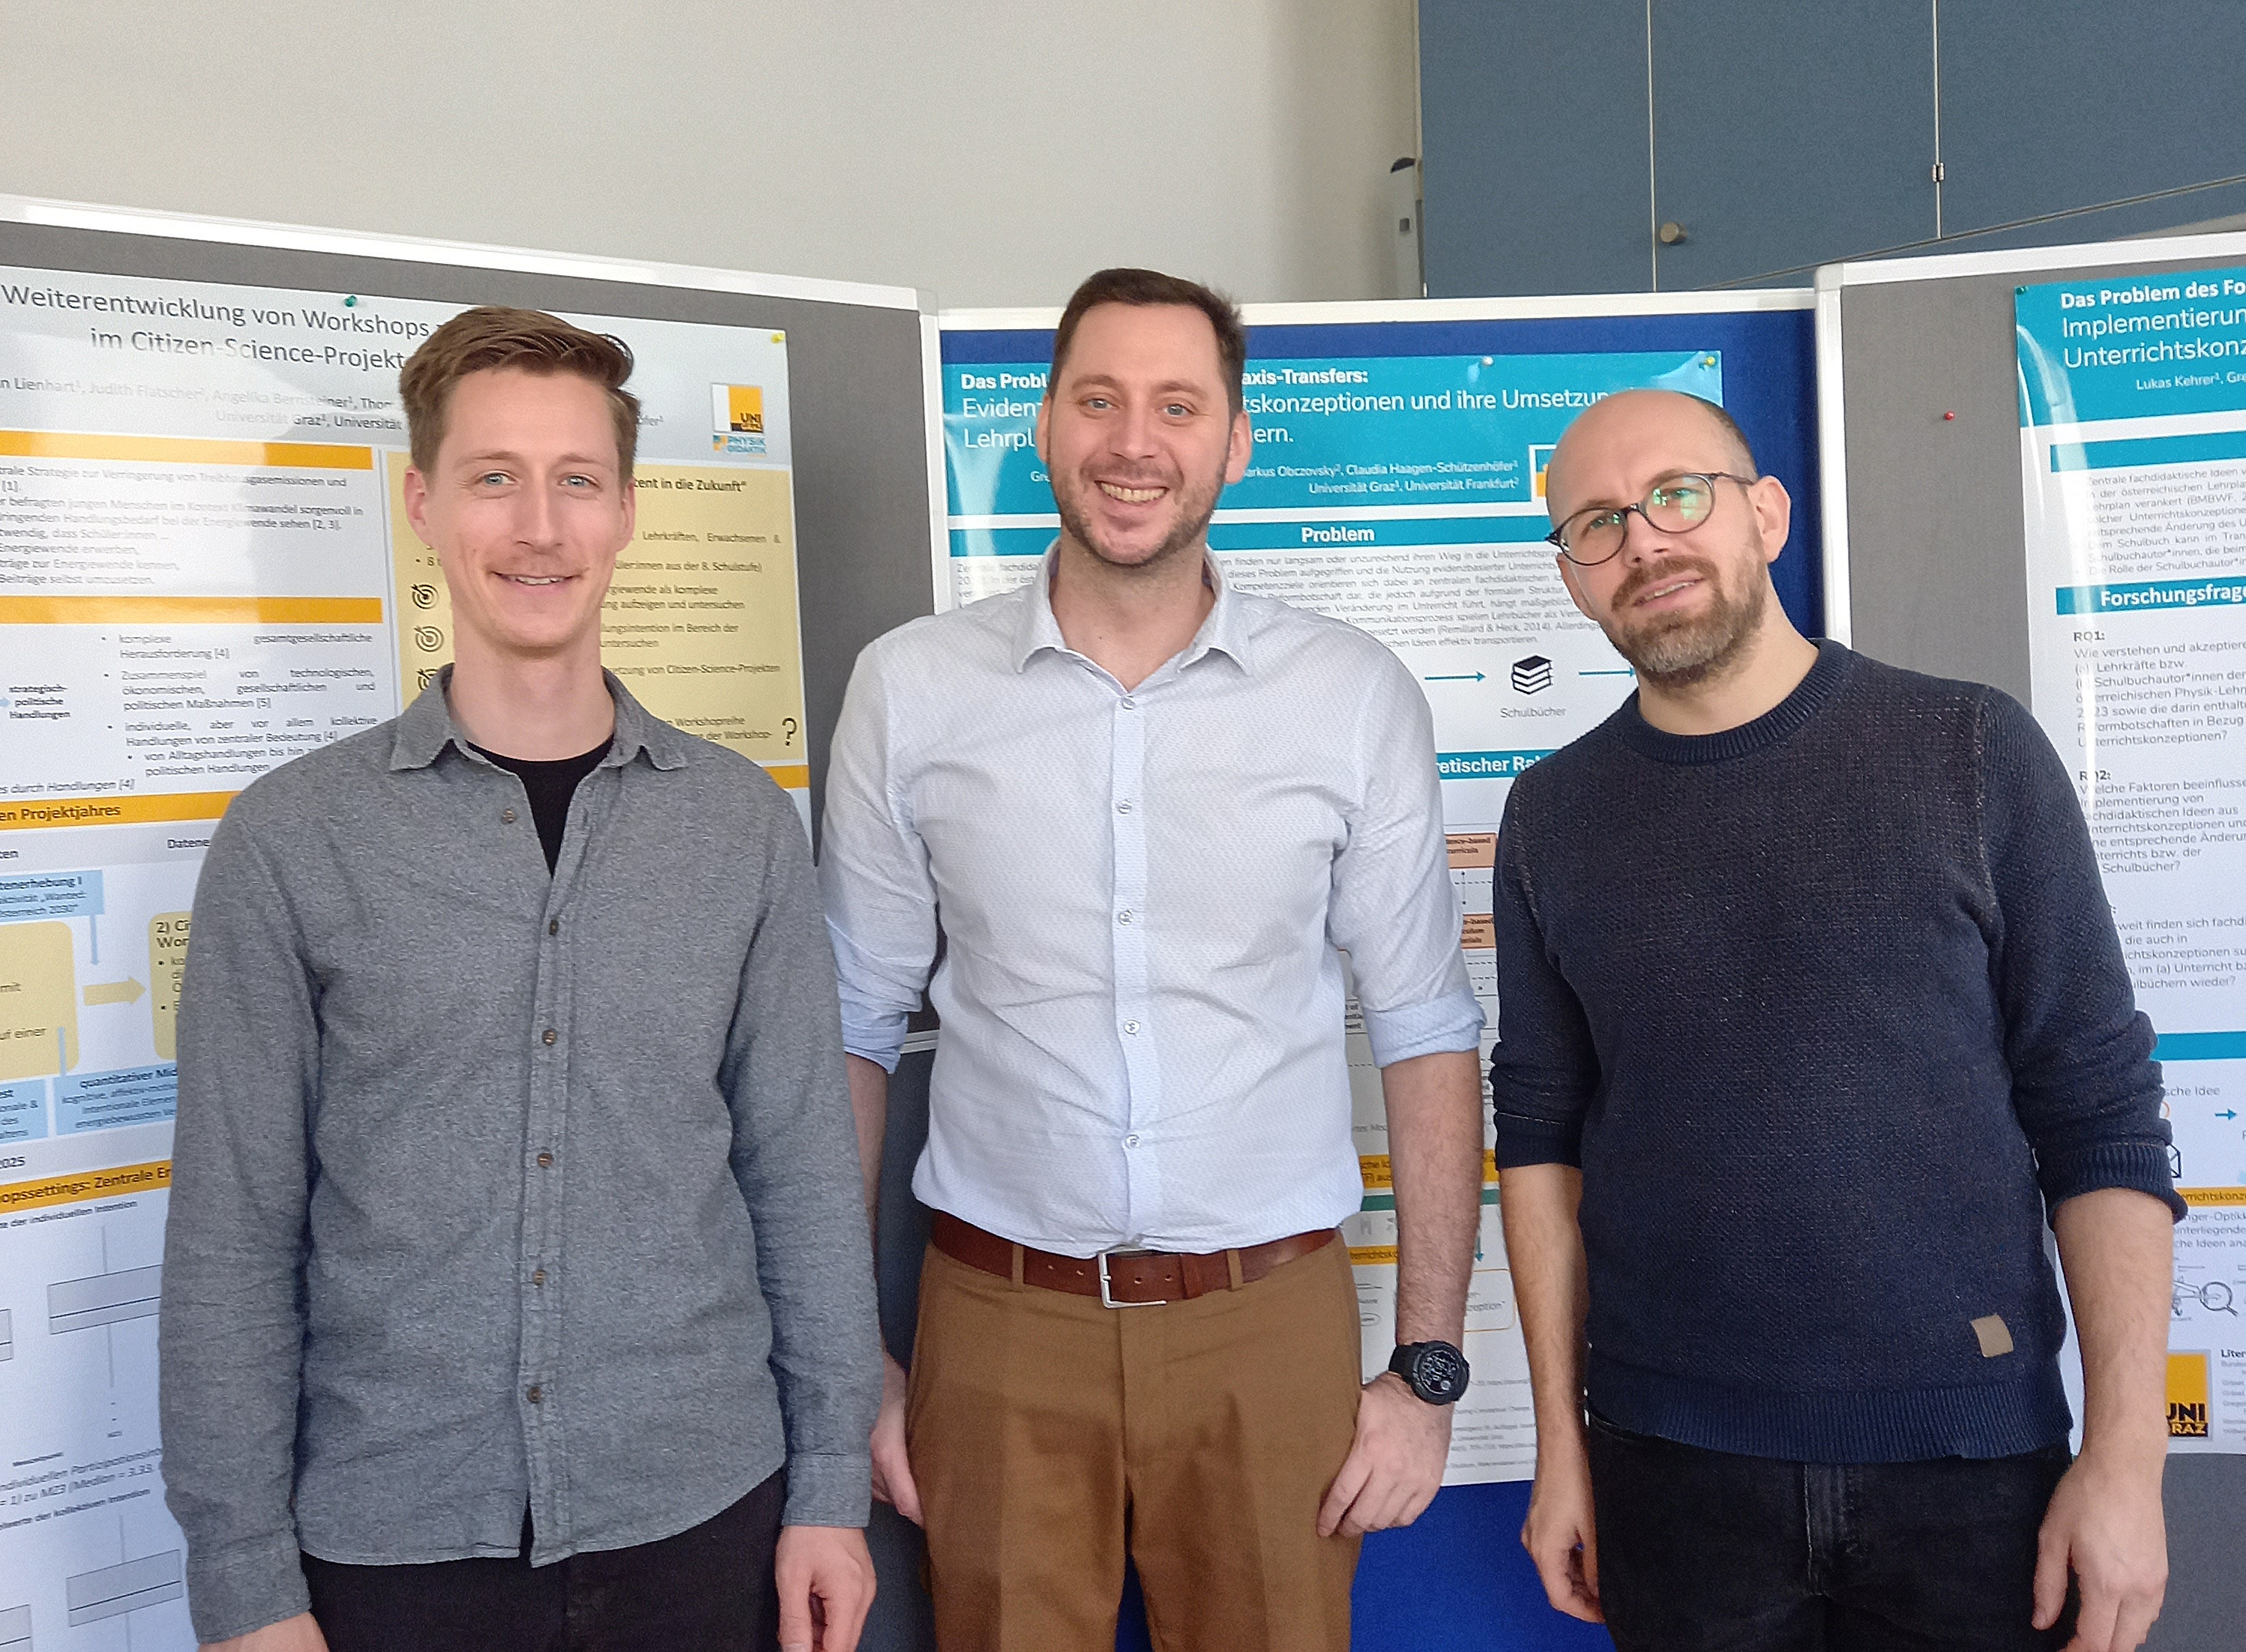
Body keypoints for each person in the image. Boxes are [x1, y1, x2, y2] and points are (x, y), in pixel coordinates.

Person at [160, 307, 880, 1652]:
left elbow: (799, 1177)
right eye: (495, 478)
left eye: (576, 482)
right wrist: (246, 1584)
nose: (538, 527)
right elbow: (234, 1238)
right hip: (393, 1552)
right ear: (425, 506)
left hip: (704, 1521)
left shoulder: (738, 829)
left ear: (623, 515)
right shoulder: (292, 841)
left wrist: (830, 1488)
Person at [819, 268, 1487, 1651]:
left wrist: (1426, 1371)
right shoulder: (912, 687)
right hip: (997, 1326)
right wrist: (847, 1368)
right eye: (1100, 400)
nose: (1136, 442)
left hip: (1268, 1323)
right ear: (1048, 427)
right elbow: (856, 1026)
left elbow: (1425, 1027)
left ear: (1236, 443)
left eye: (1178, 405)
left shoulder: (1352, 697)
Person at [1491, 388, 2182, 1652]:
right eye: (1596, 524)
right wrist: (1560, 1444)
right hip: (1670, 1470)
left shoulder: (1969, 750)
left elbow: (2099, 1113)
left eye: (1677, 495)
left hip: (1971, 1465)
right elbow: (1540, 1137)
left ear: (1767, 514)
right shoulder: (1552, 817)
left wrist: (2128, 1461)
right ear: (1574, 578)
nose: (1643, 541)